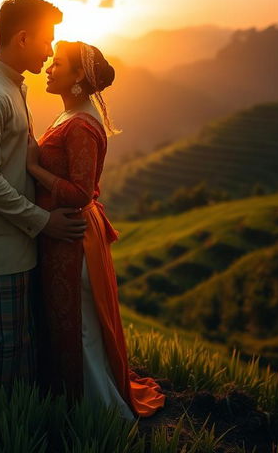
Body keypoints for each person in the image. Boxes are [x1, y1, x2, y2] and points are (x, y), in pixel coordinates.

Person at [0, 0, 88, 404]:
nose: (50, 52)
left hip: (6, 240)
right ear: (24, 38)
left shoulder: (10, 89)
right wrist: (44, 221)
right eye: (47, 41)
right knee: (9, 344)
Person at [27, 40, 166, 419]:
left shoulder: (82, 125)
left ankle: (99, 413)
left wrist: (34, 168)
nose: (50, 69)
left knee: (80, 322)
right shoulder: (69, 115)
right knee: (65, 319)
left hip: (74, 237)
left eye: (58, 64)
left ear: (77, 78)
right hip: (61, 235)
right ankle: (73, 402)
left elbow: (80, 192)